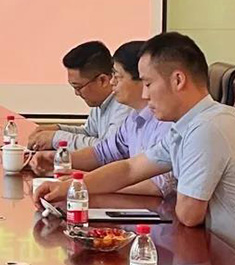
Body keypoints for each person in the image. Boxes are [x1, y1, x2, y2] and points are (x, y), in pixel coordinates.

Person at [35, 32, 235, 265]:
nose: (145, 94)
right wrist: (68, 188)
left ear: (178, 80)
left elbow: (189, 213)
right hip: (227, 256)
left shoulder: (209, 127)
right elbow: (130, 168)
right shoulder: (186, 126)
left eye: (149, 84)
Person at [31, 41, 176, 196]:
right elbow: (102, 153)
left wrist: (86, 182)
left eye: (118, 77)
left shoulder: (166, 122)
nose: (112, 82)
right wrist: (57, 159)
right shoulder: (134, 118)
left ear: (143, 80)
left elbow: (157, 185)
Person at [28, 40, 133, 151]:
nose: (76, 93)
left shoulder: (125, 104)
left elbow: (108, 149)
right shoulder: (101, 102)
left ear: (102, 80)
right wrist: (57, 129)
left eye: (78, 87)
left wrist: (56, 138)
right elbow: (89, 134)